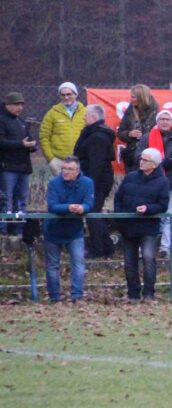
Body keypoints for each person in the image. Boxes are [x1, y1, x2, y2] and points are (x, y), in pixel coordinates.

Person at [114, 148, 170, 301]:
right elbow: (118, 198)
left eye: (145, 160)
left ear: (154, 165)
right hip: (128, 226)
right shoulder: (130, 177)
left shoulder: (163, 181)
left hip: (148, 226)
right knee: (129, 262)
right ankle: (133, 294)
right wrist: (120, 217)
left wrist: (148, 209)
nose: (141, 162)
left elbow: (163, 205)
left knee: (148, 257)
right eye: (141, 159)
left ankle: (149, 293)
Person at [136, 110, 172, 257]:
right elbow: (138, 158)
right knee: (149, 215)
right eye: (162, 119)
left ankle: (165, 248)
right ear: (157, 121)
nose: (165, 122)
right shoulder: (147, 138)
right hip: (150, 185)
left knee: (169, 216)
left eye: (168, 119)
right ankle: (145, 249)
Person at [43, 157, 93, 302]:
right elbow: (52, 206)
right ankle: (54, 296)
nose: (66, 172)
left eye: (70, 169)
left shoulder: (87, 183)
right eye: (64, 168)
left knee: (78, 262)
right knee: (52, 265)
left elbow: (89, 203)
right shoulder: (54, 183)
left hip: (74, 230)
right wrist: (69, 207)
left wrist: (83, 208)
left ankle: (77, 296)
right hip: (53, 230)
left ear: (77, 171)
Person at [73, 104, 117, 259]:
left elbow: (96, 164)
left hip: (97, 181)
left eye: (86, 115)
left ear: (93, 117)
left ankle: (99, 248)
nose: (84, 117)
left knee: (92, 213)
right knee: (93, 212)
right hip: (96, 179)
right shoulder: (95, 134)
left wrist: (88, 185)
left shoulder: (97, 137)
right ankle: (106, 246)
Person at [0, 92, 36, 237]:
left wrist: (32, 146)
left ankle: (18, 230)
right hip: (7, 167)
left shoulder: (21, 122)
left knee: (21, 200)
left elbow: (28, 139)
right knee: (5, 199)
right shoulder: (1, 120)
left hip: (23, 167)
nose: (19, 107)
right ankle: (3, 230)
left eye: (21, 104)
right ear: (7, 105)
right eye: (16, 104)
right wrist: (21, 144)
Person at [39, 82, 86, 176]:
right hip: (59, 161)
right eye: (63, 95)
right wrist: (51, 159)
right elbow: (44, 136)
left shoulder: (85, 112)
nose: (66, 97)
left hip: (80, 160)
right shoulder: (52, 113)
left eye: (69, 94)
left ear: (76, 94)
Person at [116, 84, 159, 172]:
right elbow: (120, 132)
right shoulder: (130, 110)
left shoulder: (156, 112)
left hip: (150, 156)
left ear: (141, 98)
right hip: (132, 155)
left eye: (133, 97)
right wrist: (129, 134)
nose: (131, 99)